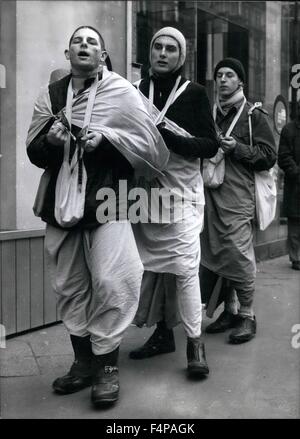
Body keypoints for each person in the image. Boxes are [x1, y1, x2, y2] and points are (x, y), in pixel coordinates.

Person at [26, 25, 169, 406]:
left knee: (113, 278)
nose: (84, 46)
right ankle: (83, 363)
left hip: (111, 198)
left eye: (92, 42)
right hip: (62, 204)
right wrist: (52, 145)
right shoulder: (51, 95)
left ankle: (107, 366)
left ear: (103, 55)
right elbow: (34, 150)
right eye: (78, 41)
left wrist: (108, 141)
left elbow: (150, 149)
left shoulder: (121, 92)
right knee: (69, 284)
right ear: (67, 53)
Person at [129, 27, 219, 377]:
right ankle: (163, 334)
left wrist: (165, 136)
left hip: (182, 193)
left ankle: (195, 343)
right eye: (157, 47)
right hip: (145, 192)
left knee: (183, 268)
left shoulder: (194, 94)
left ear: (180, 56)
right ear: (150, 53)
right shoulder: (136, 93)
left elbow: (209, 146)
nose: (163, 53)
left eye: (171, 49)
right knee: (148, 268)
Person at [200, 58, 276, 342]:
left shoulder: (254, 115)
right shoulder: (210, 113)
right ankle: (230, 310)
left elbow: (269, 156)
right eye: (219, 74)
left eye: (229, 75)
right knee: (218, 252)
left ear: (240, 82)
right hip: (212, 196)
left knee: (239, 253)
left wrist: (238, 149)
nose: (222, 80)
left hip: (239, 197)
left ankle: (248, 315)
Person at [278, 100, 300, 271]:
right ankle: (296, 258)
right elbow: (284, 157)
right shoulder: (289, 130)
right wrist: (296, 172)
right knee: (295, 223)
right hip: (296, 185)